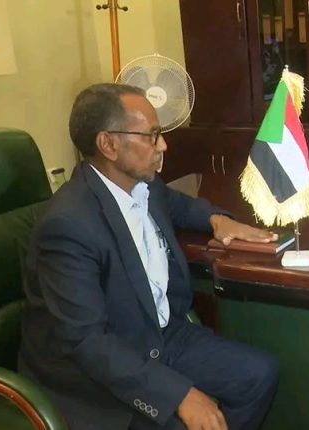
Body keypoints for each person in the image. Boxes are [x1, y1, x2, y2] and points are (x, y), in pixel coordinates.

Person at [19, 83, 279, 430]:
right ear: (108, 144)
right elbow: (87, 342)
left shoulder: (143, 184)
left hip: (157, 334)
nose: (163, 145)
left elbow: (178, 205)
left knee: (259, 375)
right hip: (100, 367)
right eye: (152, 136)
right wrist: (179, 395)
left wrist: (217, 220)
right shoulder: (69, 226)